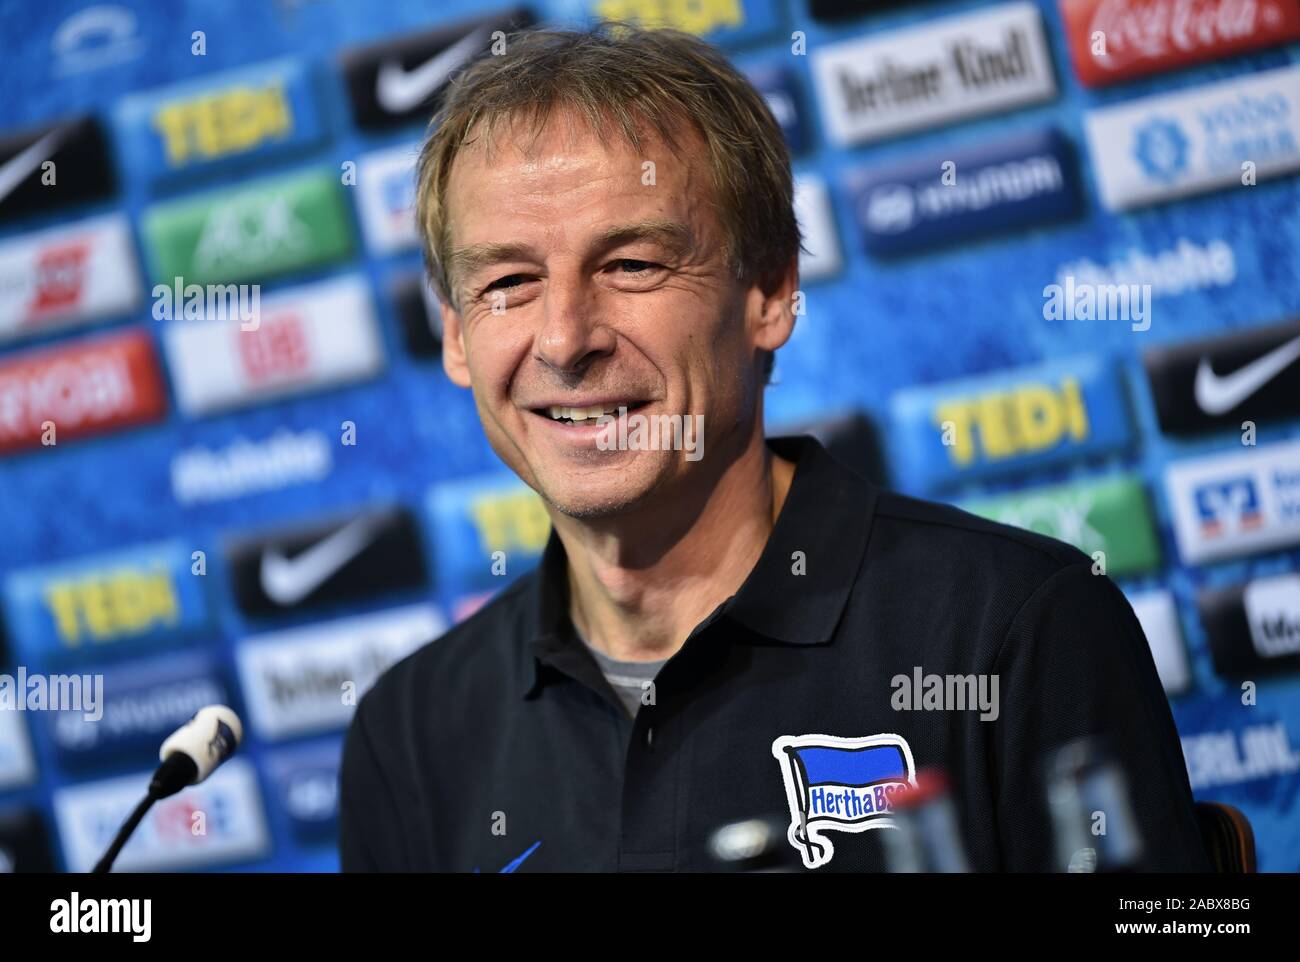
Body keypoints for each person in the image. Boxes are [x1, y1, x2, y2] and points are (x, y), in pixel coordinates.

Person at [339, 23, 1209, 872]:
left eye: (632, 265)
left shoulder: (1017, 628)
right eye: (509, 282)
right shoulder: (409, 731)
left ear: (770, 292)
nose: (566, 340)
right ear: (455, 336)